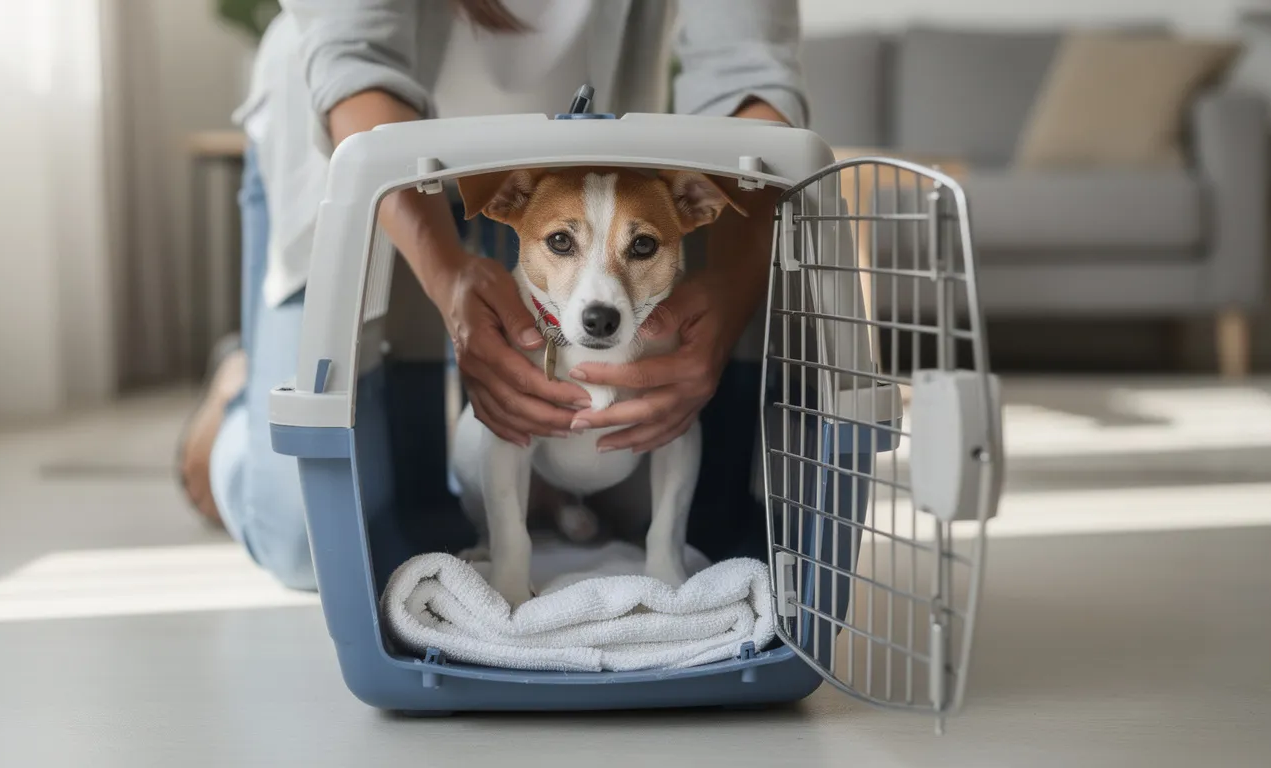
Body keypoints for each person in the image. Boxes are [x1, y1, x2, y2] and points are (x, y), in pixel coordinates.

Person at [178, 0, 809, 590]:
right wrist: (447, 272)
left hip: (582, 166)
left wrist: (730, 290)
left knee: (701, 510)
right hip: (359, 138)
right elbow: (354, 57)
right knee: (304, 543)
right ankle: (240, 400)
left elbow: (747, 68)